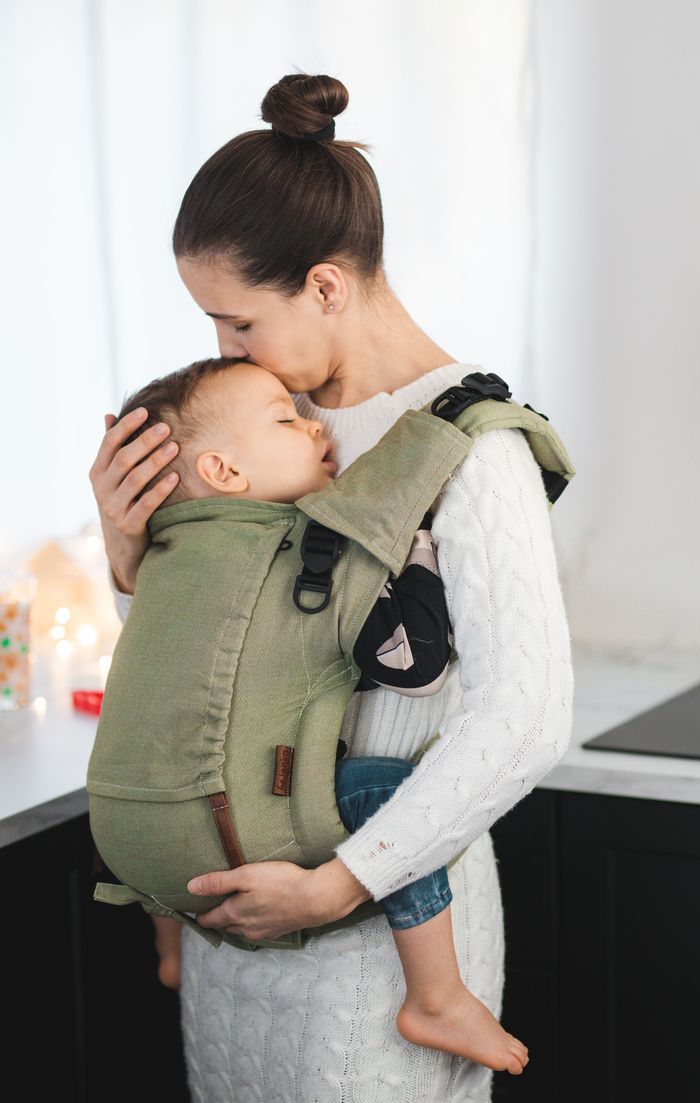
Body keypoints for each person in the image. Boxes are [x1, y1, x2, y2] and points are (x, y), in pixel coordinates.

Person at [90, 72, 573, 1102]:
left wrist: (335, 882)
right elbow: (211, 663)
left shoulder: (471, 448)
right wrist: (130, 556)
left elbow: (526, 717)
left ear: (322, 285)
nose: (222, 352)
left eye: (238, 323)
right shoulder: (255, 427)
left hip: (382, 954)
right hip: (236, 931)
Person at [104, 354, 528, 1074]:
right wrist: (418, 531)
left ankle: (168, 940)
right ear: (225, 474)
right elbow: (414, 667)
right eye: (284, 418)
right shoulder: (295, 548)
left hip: (132, 843)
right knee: (384, 790)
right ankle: (434, 994)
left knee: (152, 760)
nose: (310, 424)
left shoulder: (164, 560)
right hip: (239, 832)